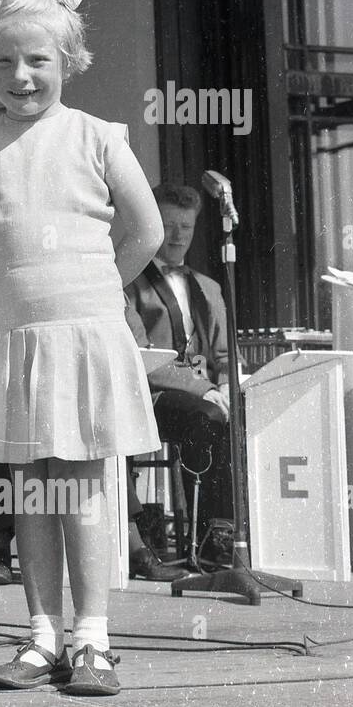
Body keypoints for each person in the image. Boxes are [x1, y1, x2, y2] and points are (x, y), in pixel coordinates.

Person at [0, 0, 163, 697]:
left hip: (81, 338)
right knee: (28, 491)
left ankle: (91, 638)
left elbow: (146, 230)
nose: (19, 75)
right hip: (16, 341)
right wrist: (4, 300)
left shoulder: (97, 137)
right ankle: (41, 636)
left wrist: (95, 293)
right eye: (3, 61)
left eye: (36, 59)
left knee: (78, 490)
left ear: (68, 60)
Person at [126, 182, 233, 566]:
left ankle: (226, 534)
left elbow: (223, 354)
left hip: (205, 395)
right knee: (204, 418)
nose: (176, 236)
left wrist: (225, 387)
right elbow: (140, 356)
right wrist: (203, 389)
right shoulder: (130, 285)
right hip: (155, 397)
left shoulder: (209, 288)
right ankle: (210, 535)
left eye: (185, 227)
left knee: (242, 418)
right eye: (168, 225)